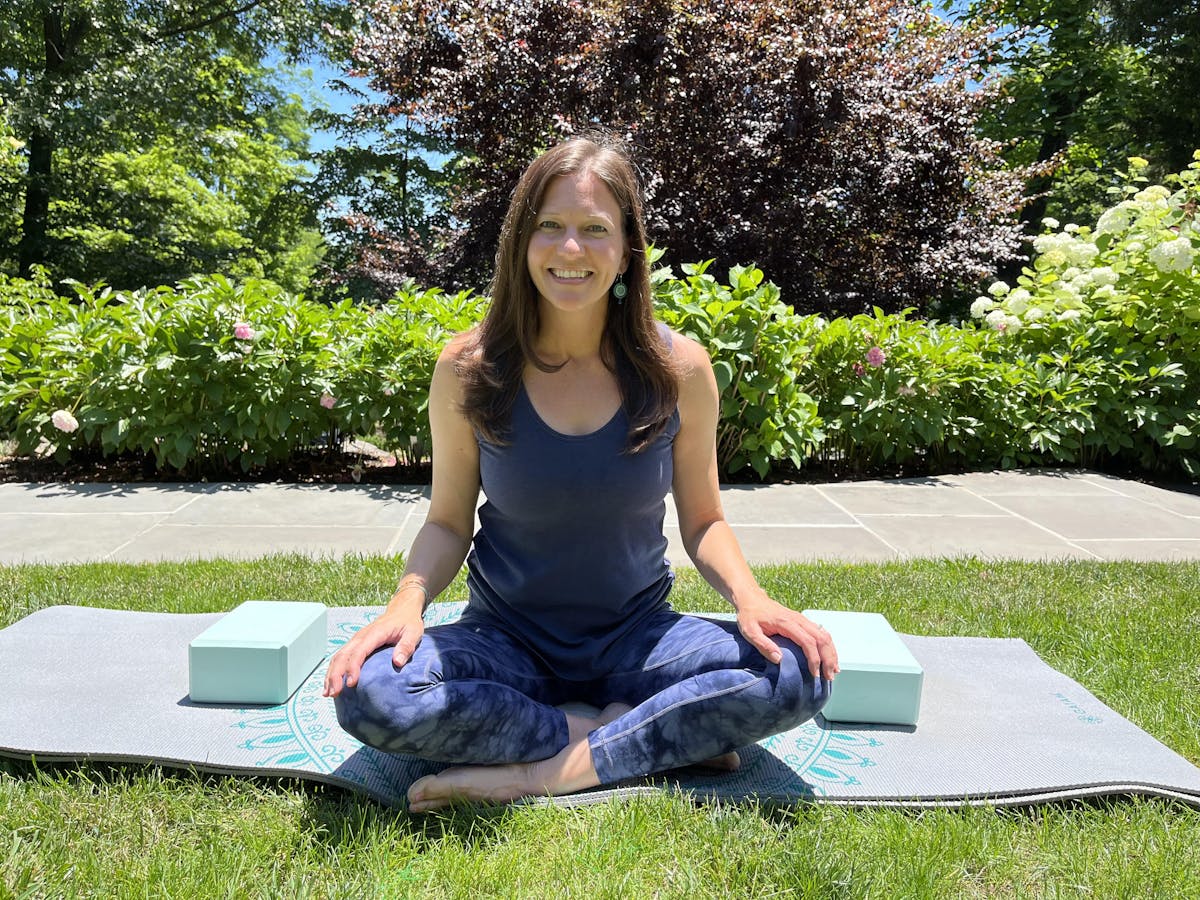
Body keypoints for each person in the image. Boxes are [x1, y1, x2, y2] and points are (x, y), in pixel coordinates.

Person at [323, 132, 838, 813]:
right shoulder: (469, 369)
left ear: (628, 249)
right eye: (551, 227)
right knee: (372, 694)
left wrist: (751, 600)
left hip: (639, 642)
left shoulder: (679, 371)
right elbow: (448, 522)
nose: (571, 250)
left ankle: (541, 773)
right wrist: (405, 604)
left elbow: (705, 519)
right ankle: (626, 736)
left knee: (796, 672)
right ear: (521, 243)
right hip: (504, 643)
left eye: (595, 229)